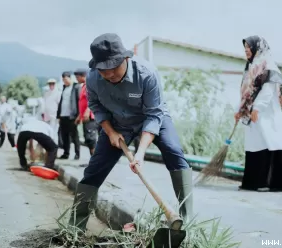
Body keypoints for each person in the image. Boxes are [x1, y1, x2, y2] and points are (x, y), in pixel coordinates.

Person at [69, 33, 193, 230]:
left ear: (125, 58)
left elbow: (154, 114)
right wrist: (110, 132)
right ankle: (75, 227)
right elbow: (95, 105)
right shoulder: (92, 78)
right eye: (103, 70)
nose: (109, 74)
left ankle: (187, 220)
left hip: (151, 117)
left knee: (174, 152)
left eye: (114, 68)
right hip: (118, 124)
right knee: (94, 170)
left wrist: (140, 153)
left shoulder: (146, 73)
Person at [235, 35, 282, 192]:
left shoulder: (268, 65)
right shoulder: (250, 66)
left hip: (266, 113)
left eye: (249, 47)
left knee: (268, 143)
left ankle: (271, 183)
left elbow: (268, 90)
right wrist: (239, 110)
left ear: (258, 48)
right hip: (253, 115)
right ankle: (253, 182)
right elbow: (245, 92)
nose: (246, 50)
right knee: (254, 146)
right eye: (245, 47)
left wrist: (258, 107)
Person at [74, 68, 99, 158]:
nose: (76, 79)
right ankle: (93, 160)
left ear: (83, 76)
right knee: (88, 139)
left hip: (91, 116)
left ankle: (96, 161)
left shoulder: (90, 85)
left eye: (77, 77)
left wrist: (88, 110)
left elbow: (93, 99)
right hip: (84, 116)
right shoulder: (84, 86)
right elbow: (83, 103)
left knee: (91, 138)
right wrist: (79, 116)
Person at [56, 71, 81, 160]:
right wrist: (58, 115)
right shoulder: (64, 88)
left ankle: (77, 154)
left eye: (66, 79)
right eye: (63, 80)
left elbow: (79, 101)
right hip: (63, 115)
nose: (64, 81)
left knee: (74, 136)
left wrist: (79, 115)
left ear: (70, 78)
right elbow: (61, 102)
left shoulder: (76, 87)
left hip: (72, 116)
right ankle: (66, 153)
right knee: (64, 135)